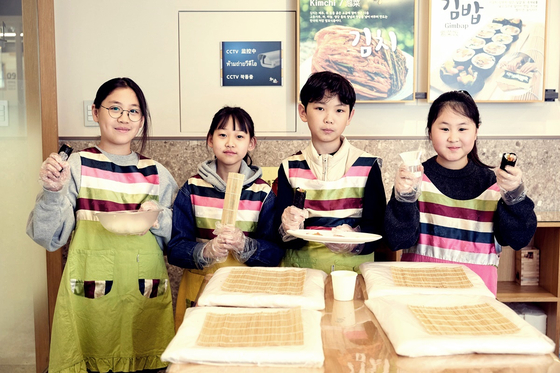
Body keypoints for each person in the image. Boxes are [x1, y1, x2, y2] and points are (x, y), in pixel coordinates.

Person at [26, 77, 177, 373]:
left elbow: (177, 240)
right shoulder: (77, 167)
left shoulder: (157, 173)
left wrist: (160, 217)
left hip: (143, 296)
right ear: (96, 112)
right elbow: (47, 237)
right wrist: (52, 192)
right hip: (90, 303)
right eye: (115, 108)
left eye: (133, 111)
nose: (124, 118)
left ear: (142, 120)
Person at [384, 90, 537, 295]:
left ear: (476, 131)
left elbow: (518, 240)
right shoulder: (415, 178)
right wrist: (403, 197)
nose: (453, 138)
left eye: (462, 128)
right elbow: (397, 241)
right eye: (444, 128)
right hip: (419, 294)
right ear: (430, 131)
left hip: (476, 300)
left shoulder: (493, 184)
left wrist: (514, 195)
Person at [167, 106, 283, 309]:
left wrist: (245, 245)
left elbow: (274, 253)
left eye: (239, 136)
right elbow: (175, 249)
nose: (230, 143)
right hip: (199, 291)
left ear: (251, 143)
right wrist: (206, 251)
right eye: (222, 135)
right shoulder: (192, 189)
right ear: (210, 140)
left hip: (247, 291)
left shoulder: (262, 193)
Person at [275, 71, 386, 274]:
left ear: (350, 115)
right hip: (300, 271)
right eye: (320, 108)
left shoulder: (367, 165)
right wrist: (288, 227)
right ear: (302, 112)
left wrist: (353, 242)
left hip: (353, 273)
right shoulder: (289, 167)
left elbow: (377, 229)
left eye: (339, 110)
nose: (329, 119)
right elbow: (280, 236)